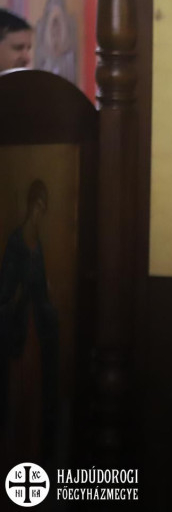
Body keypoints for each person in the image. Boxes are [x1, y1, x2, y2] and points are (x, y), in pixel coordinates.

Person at [0, 180, 59, 470]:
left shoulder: (38, 244)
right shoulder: (16, 243)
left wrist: (44, 289)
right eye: (38, 208)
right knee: (17, 393)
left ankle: (33, 458)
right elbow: (5, 292)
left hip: (36, 328)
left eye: (42, 210)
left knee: (36, 392)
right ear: (32, 206)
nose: (40, 215)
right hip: (19, 330)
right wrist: (22, 294)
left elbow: (41, 285)